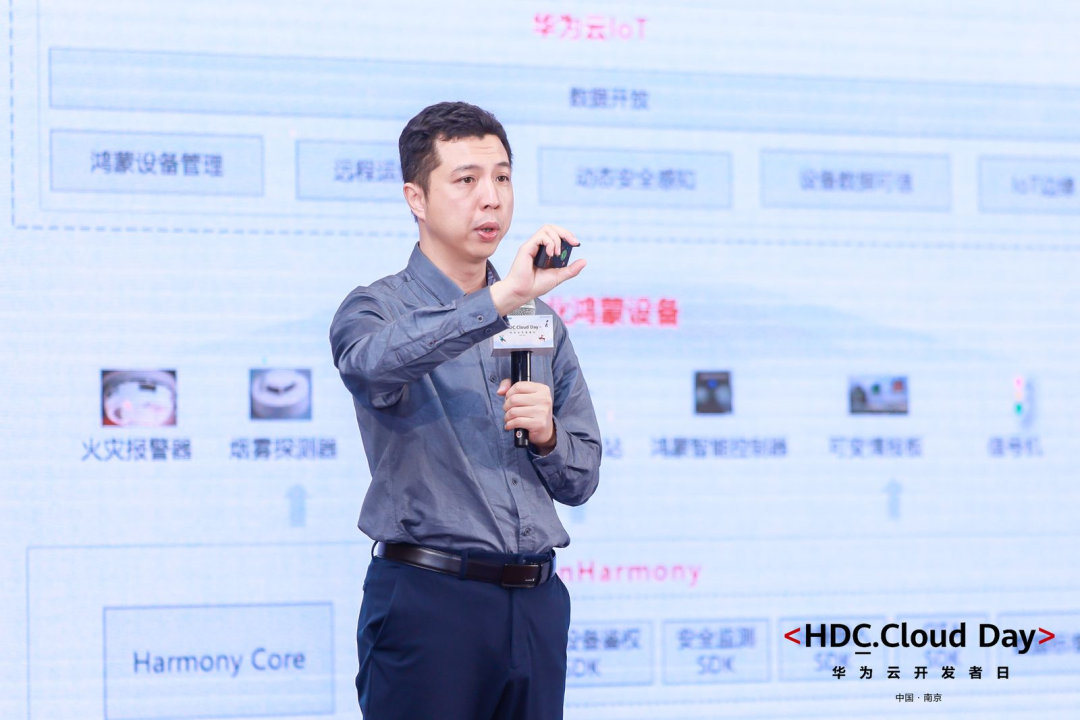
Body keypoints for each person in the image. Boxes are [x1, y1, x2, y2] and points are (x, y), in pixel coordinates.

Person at [329, 101, 602, 720]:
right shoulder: (375, 308)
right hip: (430, 605)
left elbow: (582, 478)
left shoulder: (539, 321)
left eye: (502, 177)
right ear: (417, 198)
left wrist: (548, 435)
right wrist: (500, 299)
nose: (491, 198)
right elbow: (372, 366)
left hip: (536, 606)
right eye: (466, 179)